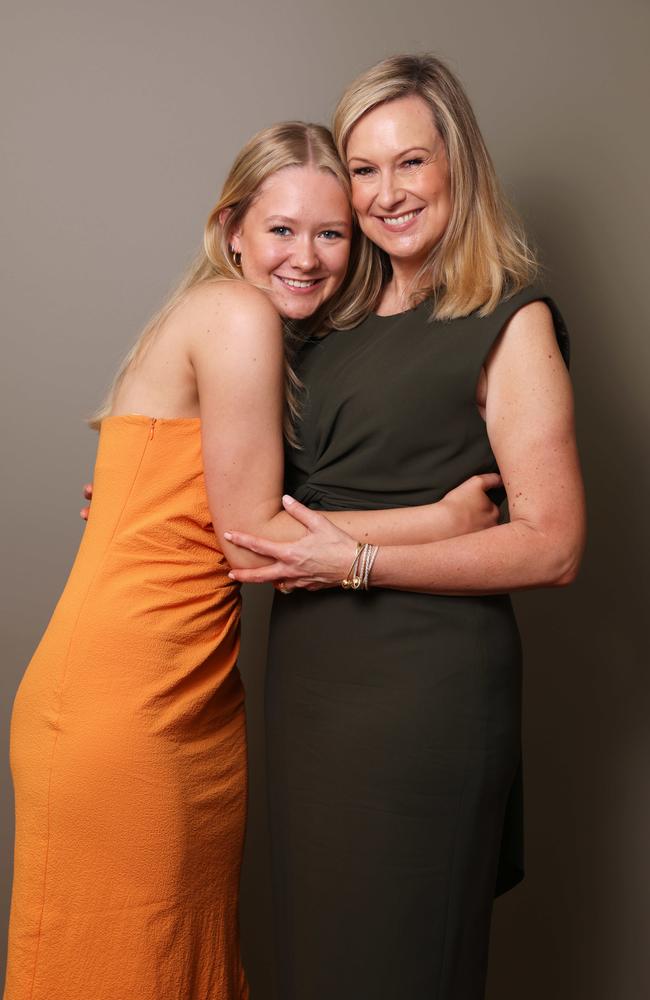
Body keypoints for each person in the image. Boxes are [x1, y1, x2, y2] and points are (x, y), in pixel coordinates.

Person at [5, 121, 500, 1000]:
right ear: (232, 228)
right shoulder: (235, 314)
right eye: (281, 230)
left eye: (331, 233)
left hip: (188, 695)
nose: (306, 257)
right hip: (130, 704)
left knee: (171, 958)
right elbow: (255, 539)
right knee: (121, 964)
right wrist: (447, 516)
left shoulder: (251, 325)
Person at [226, 56, 586, 999]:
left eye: (411, 163)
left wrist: (364, 559)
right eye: (364, 168)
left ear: (457, 166)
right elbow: (260, 503)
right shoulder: (319, 319)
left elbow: (552, 543)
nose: (386, 195)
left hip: (426, 698)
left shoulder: (508, 318)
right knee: (318, 964)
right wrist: (146, 500)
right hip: (310, 700)